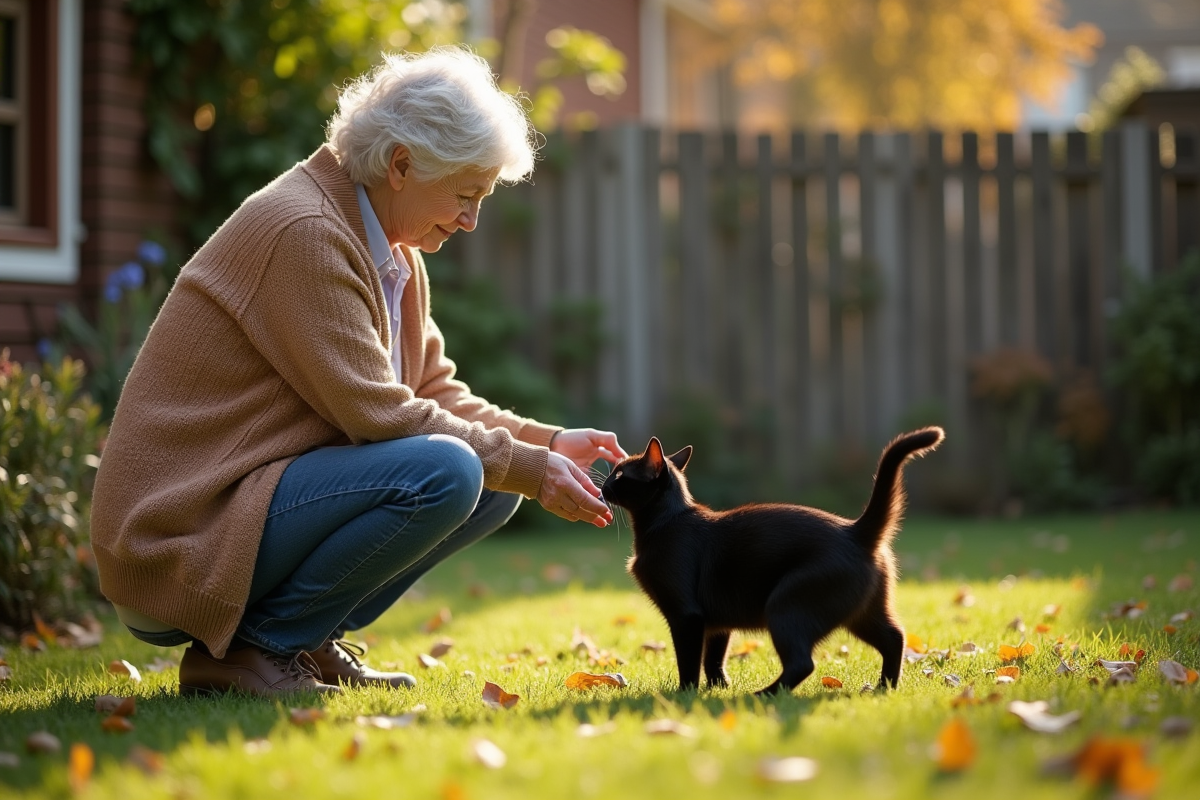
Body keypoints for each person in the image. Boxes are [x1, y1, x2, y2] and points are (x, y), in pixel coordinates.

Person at [90, 47, 626, 697]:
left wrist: (545, 445)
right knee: (456, 469)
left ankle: (307, 638)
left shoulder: (392, 250)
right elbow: (380, 415)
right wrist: (526, 464)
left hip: (247, 502)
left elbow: (430, 390)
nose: (471, 220)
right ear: (401, 165)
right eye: (464, 195)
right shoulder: (305, 230)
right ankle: (254, 650)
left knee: (495, 480)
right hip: (180, 532)